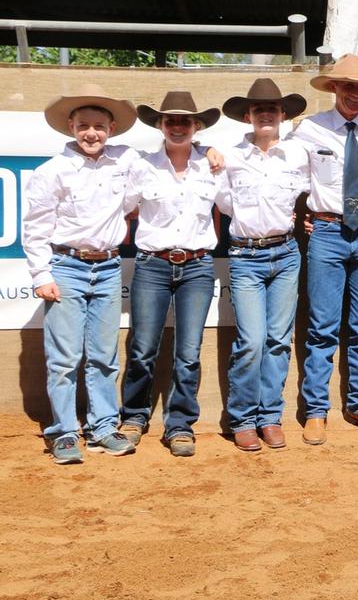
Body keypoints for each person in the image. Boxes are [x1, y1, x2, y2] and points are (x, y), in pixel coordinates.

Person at [23, 85, 142, 464]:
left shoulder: (124, 163)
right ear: (71, 126)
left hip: (108, 266)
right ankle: (63, 432)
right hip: (67, 266)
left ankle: (103, 426)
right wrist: (42, 275)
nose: (92, 133)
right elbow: (36, 227)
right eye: (84, 126)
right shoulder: (52, 172)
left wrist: (211, 151)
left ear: (111, 129)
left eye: (99, 126)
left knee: (104, 356)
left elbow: (165, 167)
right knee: (64, 357)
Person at [288, 54, 358, 445]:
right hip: (327, 232)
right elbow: (285, 174)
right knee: (321, 327)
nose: (355, 94)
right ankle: (316, 411)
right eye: (348, 86)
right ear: (334, 88)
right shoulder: (309, 130)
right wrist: (302, 214)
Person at [118, 92, 228, 457]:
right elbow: (121, 207)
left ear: (197, 127)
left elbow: (234, 203)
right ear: (160, 126)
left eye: (185, 121)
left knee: (189, 352)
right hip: (152, 265)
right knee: (142, 347)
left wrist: (211, 151)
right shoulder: (141, 165)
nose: (178, 126)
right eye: (170, 121)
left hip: (197, 266)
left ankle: (180, 425)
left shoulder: (212, 166)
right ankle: (133, 417)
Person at [217, 79, 311, 452]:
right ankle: (241, 419)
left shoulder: (298, 155)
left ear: (283, 115)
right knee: (251, 341)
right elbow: (223, 205)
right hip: (245, 256)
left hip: (286, 254)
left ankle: (270, 417)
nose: (267, 114)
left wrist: (306, 219)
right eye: (259, 109)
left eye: (273, 108)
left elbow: (309, 194)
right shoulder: (229, 157)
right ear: (248, 116)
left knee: (277, 341)